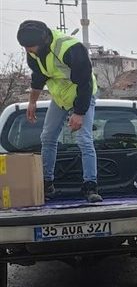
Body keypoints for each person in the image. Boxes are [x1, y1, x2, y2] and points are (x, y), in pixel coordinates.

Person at [17, 20, 102, 202]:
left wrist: (79, 113)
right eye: (25, 48)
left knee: (84, 138)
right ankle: (47, 184)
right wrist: (32, 102)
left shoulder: (70, 48)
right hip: (59, 98)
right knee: (47, 137)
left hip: (81, 95)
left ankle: (90, 186)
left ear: (43, 40)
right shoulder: (34, 53)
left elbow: (85, 83)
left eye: (30, 47)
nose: (28, 51)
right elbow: (38, 78)